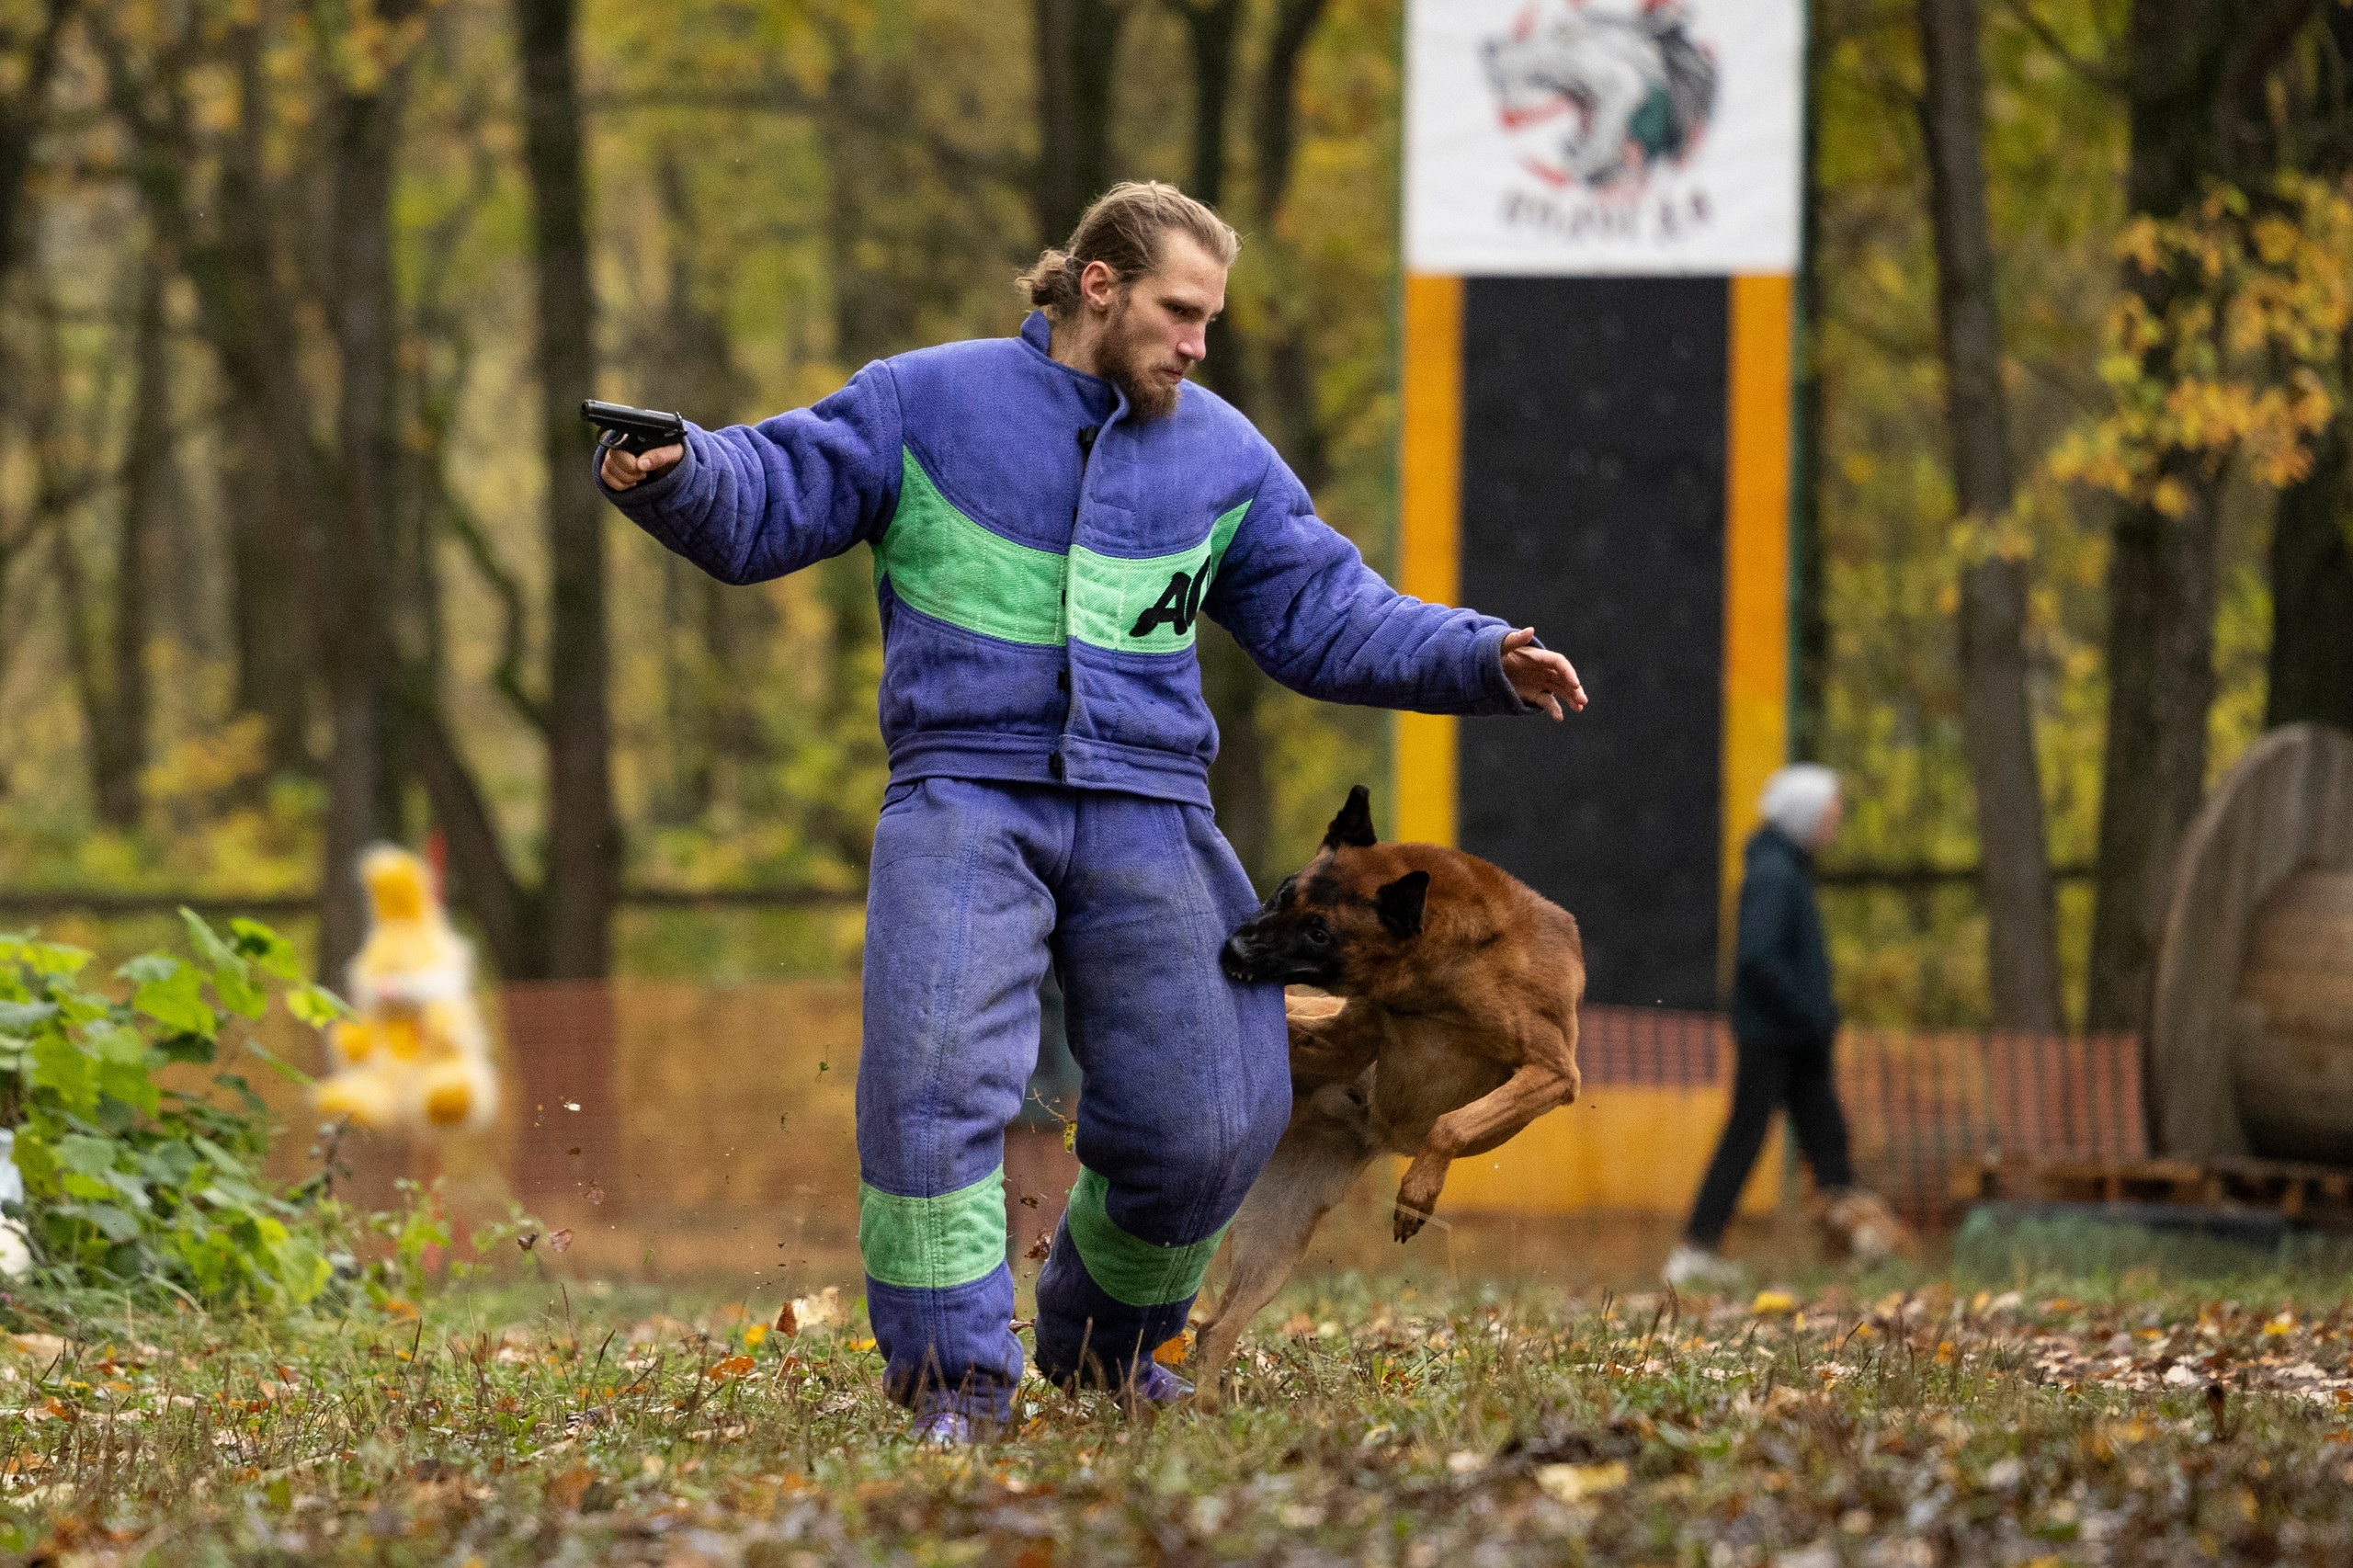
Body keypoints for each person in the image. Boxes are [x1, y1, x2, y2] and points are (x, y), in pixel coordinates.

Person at [598, 181, 1587, 1442]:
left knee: (1221, 1104)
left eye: (1212, 320)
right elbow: (771, 483)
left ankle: (1106, 1343)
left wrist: (1479, 654)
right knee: (936, 1082)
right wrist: (678, 471)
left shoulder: (1223, 453)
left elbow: (1329, 610)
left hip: (1149, 802)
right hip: (965, 789)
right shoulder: (927, 401)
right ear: (1098, 284)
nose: (1200, 343)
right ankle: (955, 1383)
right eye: (1182, 312)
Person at [1664, 764, 1859, 1290]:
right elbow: (1758, 958)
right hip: (1775, 1037)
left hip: (1795, 1037)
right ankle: (1695, 1249)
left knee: (1828, 1140)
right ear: (1804, 817)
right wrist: (1808, 1012)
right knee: (1747, 1137)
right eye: (1828, 815)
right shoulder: (1776, 875)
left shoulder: (1787, 869)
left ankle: (1855, 1247)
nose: (1834, 825)